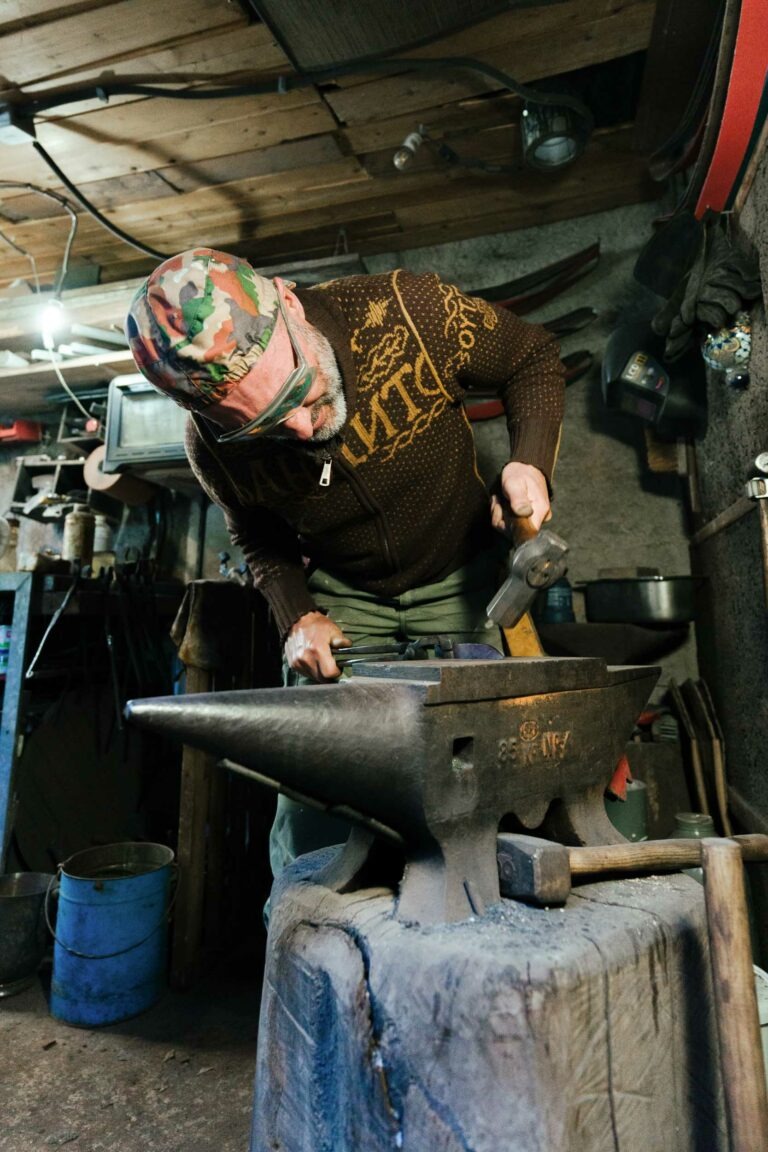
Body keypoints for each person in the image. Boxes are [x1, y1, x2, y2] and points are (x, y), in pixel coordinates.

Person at [125, 247, 565, 872]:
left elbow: (532, 356)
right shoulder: (212, 449)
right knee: (319, 811)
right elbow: (257, 538)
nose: (303, 430)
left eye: (299, 388)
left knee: (488, 781)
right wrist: (295, 616)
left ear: (292, 306)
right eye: (268, 427)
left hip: (462, 578)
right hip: (347, 596)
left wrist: (531, 460)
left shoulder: (410, 310)